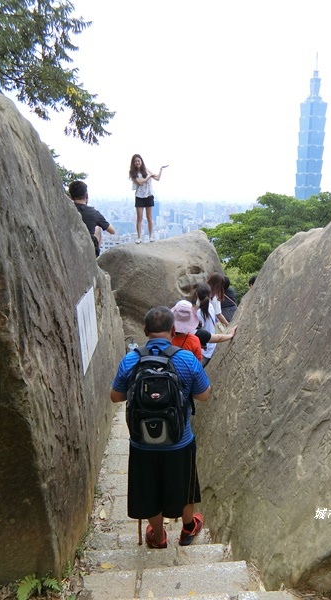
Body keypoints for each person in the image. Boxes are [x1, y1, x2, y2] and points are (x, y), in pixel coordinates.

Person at [110, 306, 211, 549]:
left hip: (142, 442)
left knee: (149, 488)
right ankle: (187, 529)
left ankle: (158, 536)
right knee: (185, 485)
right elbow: (204, 395)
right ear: (173, 329)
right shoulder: (186, 358)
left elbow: (115, 396)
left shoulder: (131, 359)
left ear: (145, 331)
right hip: (180, 440)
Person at [69, 180, 115, 257]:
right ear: (86, 196)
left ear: (71, 197)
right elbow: (112, 231)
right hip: (87, 250)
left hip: (70, 246)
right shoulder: (93, 213)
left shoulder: (66, 209)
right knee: (97, 227)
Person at [129, 154, 168, 243]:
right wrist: (149, 177)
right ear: (133, 163)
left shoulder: (146, 170)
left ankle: (151, 236)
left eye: (139, 161)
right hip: (139, 196)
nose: (137, 162)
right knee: (139, 218)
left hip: (149, 195)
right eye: (135, 161)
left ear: (141, 161)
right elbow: (139, 182)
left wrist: (160, 169)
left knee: (149, 217)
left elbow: (157, 178)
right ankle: (139, 237)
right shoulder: (133, 173)